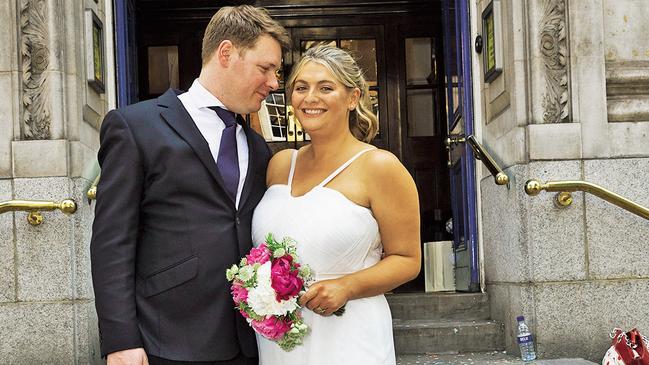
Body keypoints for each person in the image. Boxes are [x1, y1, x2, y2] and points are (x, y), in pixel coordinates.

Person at [90, 6, 290, 365]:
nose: (275, 83)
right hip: (164, 341)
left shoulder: (259, 148)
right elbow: (112, 242)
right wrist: (120, 340)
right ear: (226, 53)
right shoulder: (136, 127)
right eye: (265, 68)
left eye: (276, 71)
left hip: (248, 343)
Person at [251, 45, 421, 364]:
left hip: (349, 333)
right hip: (280, 340)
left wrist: (348, 286)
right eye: (301, 88)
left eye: (325, 88)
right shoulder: (280, 165)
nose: (310, 98)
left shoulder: (380, 167)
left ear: (353, 98)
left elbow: (407, 259)